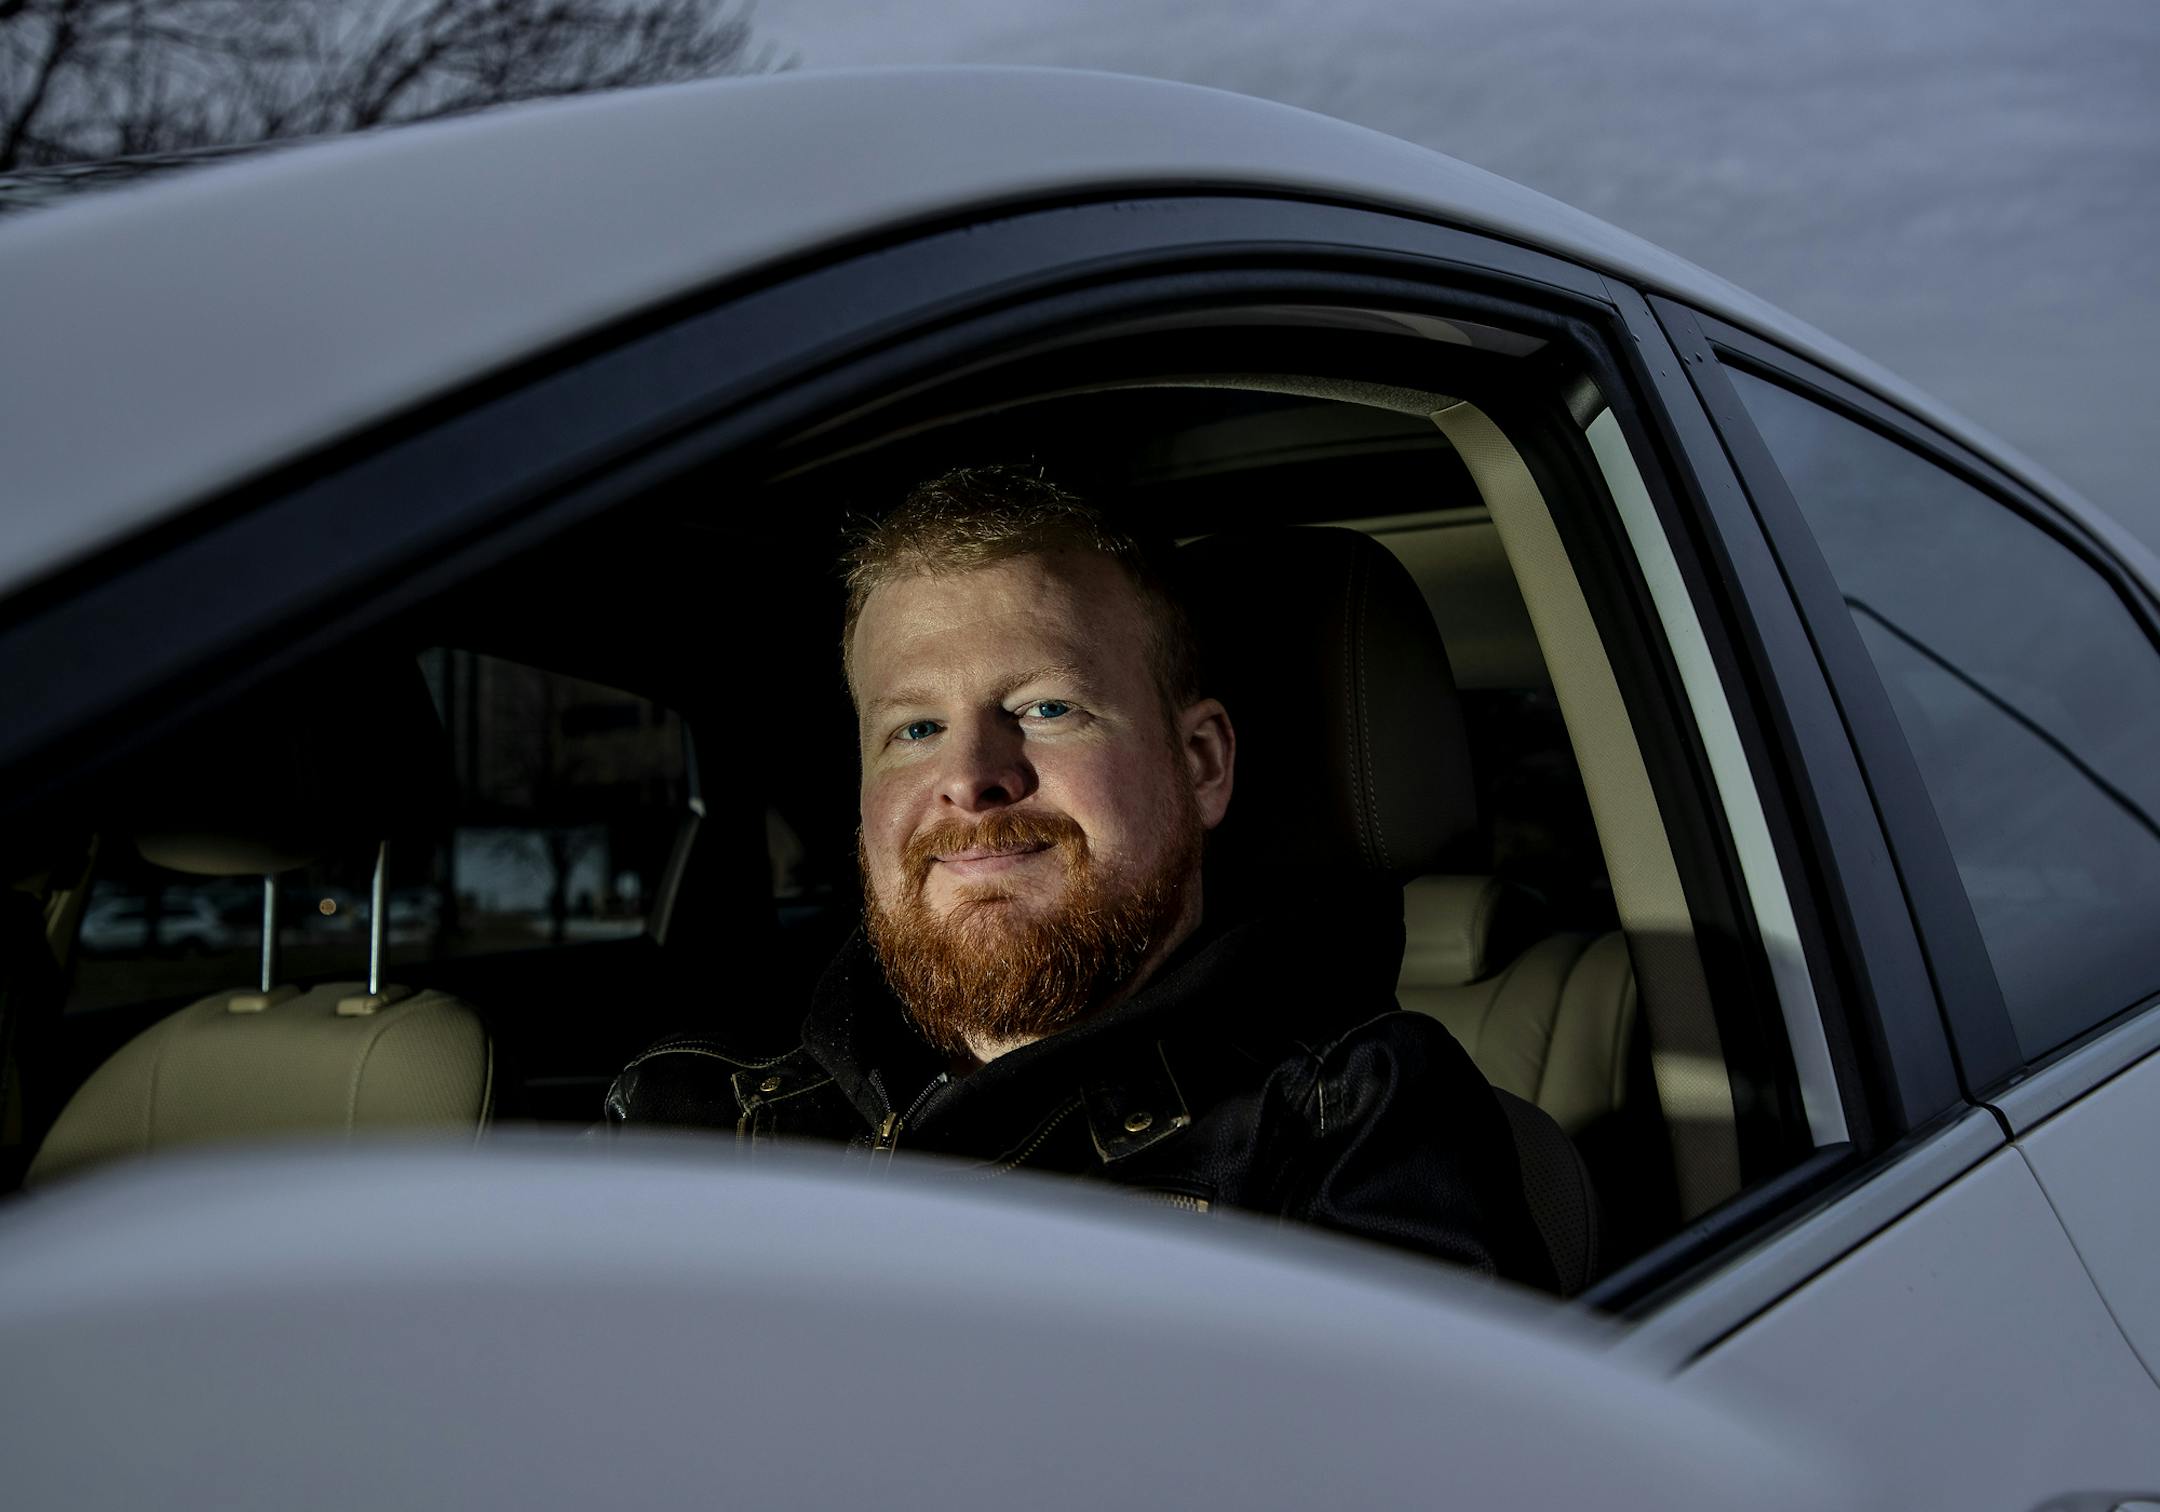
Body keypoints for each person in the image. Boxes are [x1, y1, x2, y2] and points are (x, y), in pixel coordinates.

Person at [605, 466, 1553, 1287]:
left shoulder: (1339, 1124)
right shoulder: (688, 1104)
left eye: (1047, 707)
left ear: (1203, 764)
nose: (970, 778)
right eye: (916, 729)